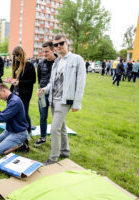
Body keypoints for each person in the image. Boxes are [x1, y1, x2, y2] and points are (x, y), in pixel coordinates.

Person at [38, 34, 86, 165]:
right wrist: (45, 89)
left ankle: (53, 158)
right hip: (53, 99)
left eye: (61, 43)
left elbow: (81, 83)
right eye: (56, 45)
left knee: (54, 129)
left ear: (67, 43)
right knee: (62, 127)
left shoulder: (77, 60)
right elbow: (52, 82)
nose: (58, 46)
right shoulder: (57, 62)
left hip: (65, 100)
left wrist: (77, 103)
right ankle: (65, 152)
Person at [0, 83, 29, 154]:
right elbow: (7, 113)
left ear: (4, 91)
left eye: (0, 95)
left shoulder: (14, 101)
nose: (0, 98)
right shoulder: (11, 99)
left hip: (19, 133)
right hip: (10, 130)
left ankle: (22, 144)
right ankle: (13, 142)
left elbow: (3, 118)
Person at [10, 46, 36, 138]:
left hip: (25, 94)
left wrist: (19, 82)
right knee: (15, 113)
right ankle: (17, 130)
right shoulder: (16, 65)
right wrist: (10, 88)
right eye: (14, 56)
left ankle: (28, 132)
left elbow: (33, 81)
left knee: (24, 114)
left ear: (21, 54)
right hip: (15, 93)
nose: (16, 58)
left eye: (17, 55)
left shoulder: (29, 65)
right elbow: (14, 80)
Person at [34, 41, 57, 146]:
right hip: (42, 95)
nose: (45, 54)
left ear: (53, 50)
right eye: (43, 52)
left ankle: (56, 139)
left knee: (56, 118)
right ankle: (43, 137)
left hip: (55, 95)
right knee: (43, 116)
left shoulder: (59, 63)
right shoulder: (41, 63)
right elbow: (39, 79)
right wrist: (39, 89)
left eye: (47, 52)